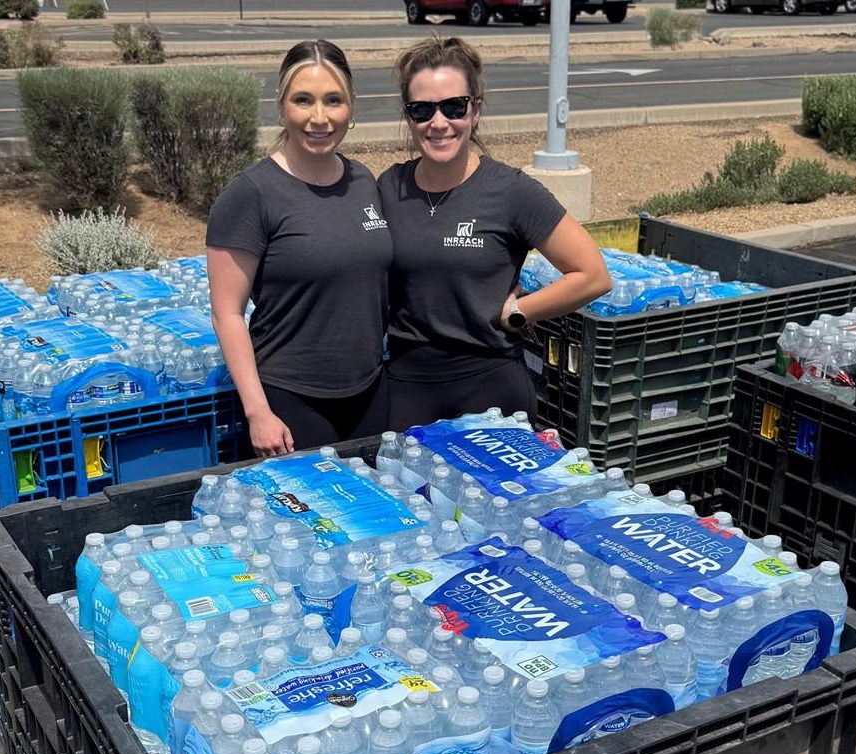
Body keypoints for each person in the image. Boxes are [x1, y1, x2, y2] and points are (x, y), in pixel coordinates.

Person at [378, 35, 611, 431]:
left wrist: (520, 312)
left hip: (489, 384)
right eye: (422, 110)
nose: (439, 122)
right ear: (408, 116)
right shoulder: (389, 187)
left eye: (454, 106)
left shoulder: (510, 191)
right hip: (407, 386)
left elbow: (593, 275)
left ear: (475, 110)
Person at [207, 40, 392, 457]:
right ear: (282, 106)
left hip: (369, 391)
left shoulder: (363, 181)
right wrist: (258, 411)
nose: (319, 117)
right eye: (303, 100)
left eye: (333, 100)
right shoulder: (251, 194)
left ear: (351, 106)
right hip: (290, 400)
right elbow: (226, 313)